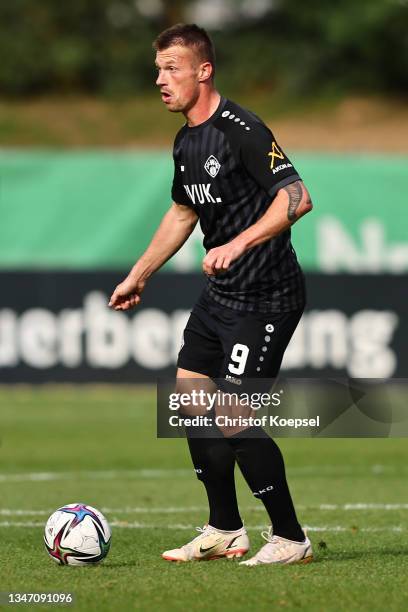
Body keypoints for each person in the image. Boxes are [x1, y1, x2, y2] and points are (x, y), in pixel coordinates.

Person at [109, 23, 314, 566]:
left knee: (232, 414)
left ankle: (291, 538)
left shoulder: (241, 128)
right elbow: (183, 212)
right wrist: (140, 273)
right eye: (157, 68)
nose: (160, 78)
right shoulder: (185, 140)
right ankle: (224, 528)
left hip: (267, 296)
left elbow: (297, 196)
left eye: (171, 67)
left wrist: (239, 243)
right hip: (220, 296)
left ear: (204, 71)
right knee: (191, 396)